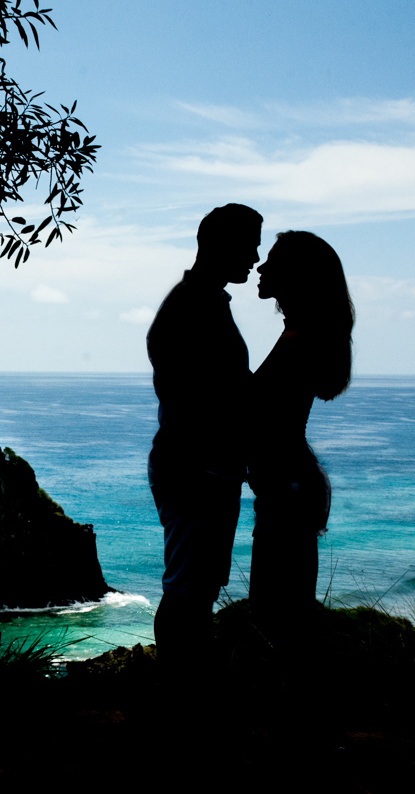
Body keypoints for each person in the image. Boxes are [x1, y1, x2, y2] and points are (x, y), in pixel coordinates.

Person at [146, 203, 262, 678]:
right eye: (250, 243)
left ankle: (184, 693)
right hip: (196, 468)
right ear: (219, 243)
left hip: (201, 465)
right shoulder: (194, 305)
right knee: (188, 591)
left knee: (196, 588)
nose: (255, 256)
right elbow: (206, 395)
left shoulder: (202, 300)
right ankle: (179, 696)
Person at [248, 231, 354, 646]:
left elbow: (255, 414)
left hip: (287, 489)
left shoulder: (298, 341)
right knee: (283, 616)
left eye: (271, 261)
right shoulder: (301, 334)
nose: (260, 267)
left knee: (277, 619)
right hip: (289, 485)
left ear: (295, 275)